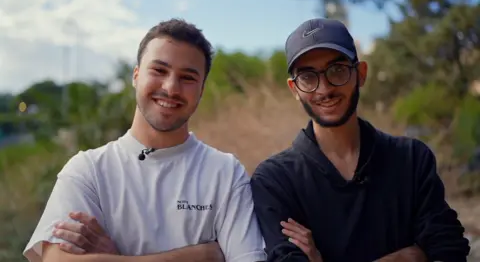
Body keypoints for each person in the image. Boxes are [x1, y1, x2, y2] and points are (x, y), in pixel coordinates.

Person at [23, 18, 267, 262]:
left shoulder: (226, 173)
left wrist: (116, 257)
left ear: (202, 90)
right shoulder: (88, 171)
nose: (171, 88)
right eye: (159, 70)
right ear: (136, 75)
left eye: (188, 78)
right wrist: (202, 255)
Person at [250, 18, 471, 262]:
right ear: (294, 89)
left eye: (337, 71)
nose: (324, 89)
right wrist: (408, 257)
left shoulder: (412, 160)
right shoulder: (275, 181)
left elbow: (449, 250)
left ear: (361, 74)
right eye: (308, 77)